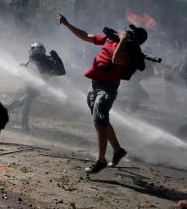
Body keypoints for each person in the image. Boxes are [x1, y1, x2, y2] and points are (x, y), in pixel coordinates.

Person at [58, 14, 148, 174]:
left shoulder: (130, 53)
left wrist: (123, 41)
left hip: (108, 88)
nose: (124, 31)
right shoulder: (109, 39)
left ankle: (101, 160)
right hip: (94, 84)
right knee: (101, 120)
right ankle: (118, 151)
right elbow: (86, 36)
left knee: (99, 118)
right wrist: (67, 24)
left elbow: (116, 60)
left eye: (128, 33)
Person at [6, 42, 65, 129]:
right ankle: (22, 122)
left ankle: (10, 114)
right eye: (34, 52)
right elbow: (28, 69)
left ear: (42, 52)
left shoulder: (49, 60)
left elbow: (61, 72)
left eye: (38, 52)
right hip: (28, 85)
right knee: (24, 101)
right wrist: (22, 67)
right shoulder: (32, 60)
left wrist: (57, 60)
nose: (35, 54)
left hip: (37, 87)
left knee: (24, 101)